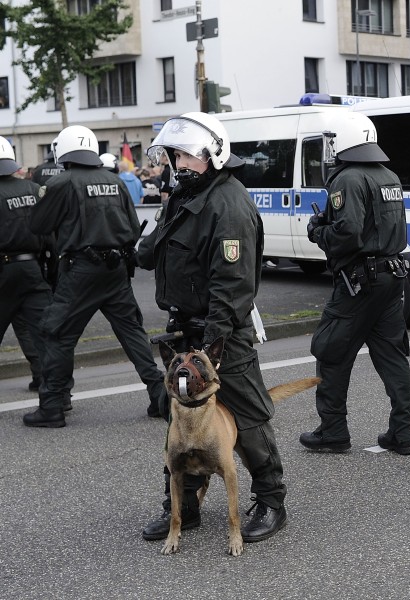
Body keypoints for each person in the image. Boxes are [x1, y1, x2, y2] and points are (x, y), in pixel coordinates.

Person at [138, 111, 287, 543]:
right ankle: (183, 506)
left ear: (213, 156)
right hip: (186, 329)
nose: (179, 165)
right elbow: (157, 247)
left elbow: (234, 282)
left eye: (187, 156)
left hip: (220, 334)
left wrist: (210, 348)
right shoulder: (185, 196)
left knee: (247, 413)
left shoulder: (229, 202)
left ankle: (272, 499)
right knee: (181, 415)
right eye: (175, 156)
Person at [23, 125, 166, 427]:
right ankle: (160, 397)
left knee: (57, 332)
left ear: (63, 151)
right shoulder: (114, 180)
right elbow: (130, 224)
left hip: (80, 272)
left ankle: (53, 405)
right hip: (116, 270)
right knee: (132, 333)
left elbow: (38, 224)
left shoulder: (63, 182)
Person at [301, 111, 410, 455]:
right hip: (391, 278)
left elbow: (348, 232)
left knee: (331, 352)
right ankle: (402, 431)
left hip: (358, 281)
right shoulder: (389, 176)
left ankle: (332, 430)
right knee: (392, 354)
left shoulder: (347, 179)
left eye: (333, 141)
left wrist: (318, 230)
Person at [0, 136, 52, 395]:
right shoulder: (33, 189)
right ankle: (53, 390)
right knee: (40, 332)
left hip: (3, 272)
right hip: (33, 270)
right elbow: (49, 233)